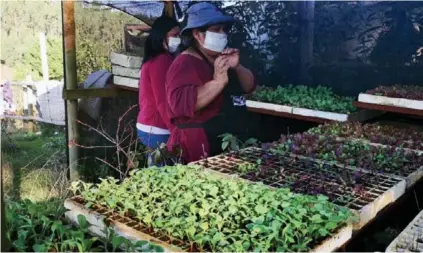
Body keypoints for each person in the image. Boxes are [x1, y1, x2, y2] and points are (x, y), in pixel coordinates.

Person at [166, 2, 256, 163]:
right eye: (215, 30)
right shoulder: (184, 64)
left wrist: (238, 66)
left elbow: (249, 86)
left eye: (223, 29)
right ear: (197, 34)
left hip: (226, 139)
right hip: (198, 145)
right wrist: (217, 82)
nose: (222, 34)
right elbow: (180, 105)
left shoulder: (222, 58)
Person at [137, 16, 181, 153]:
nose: (178, 39)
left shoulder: (152, 59)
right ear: (162, 36)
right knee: (165, 171)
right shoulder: (162, 61)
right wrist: (175, 131)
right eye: (174, 35)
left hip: (149, 125)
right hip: (158, 127)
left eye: (179, 35)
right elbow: (162, 100)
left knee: (155, 170)